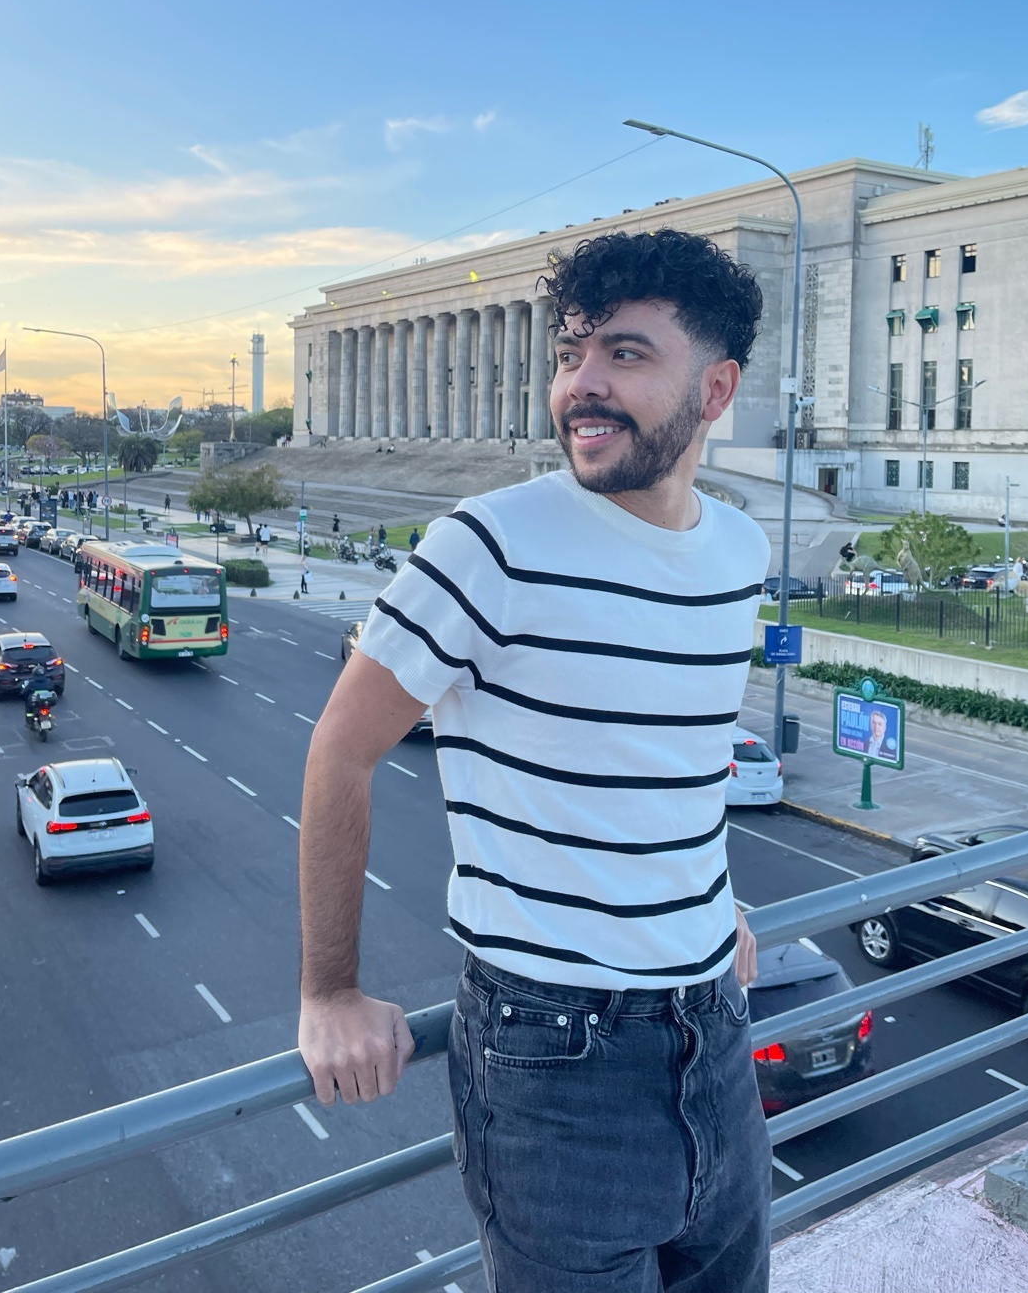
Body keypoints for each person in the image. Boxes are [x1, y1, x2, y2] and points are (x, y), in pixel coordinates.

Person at [297, 227, 771, 1291]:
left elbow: (677, 766)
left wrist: (704, 907)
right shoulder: (488, 542)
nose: (581, 386)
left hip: (714, 1030)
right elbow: (341, 751)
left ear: (718, 385)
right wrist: (331, 992)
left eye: (626, 355)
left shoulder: (742, 551)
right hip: (552, 1057)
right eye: (570, 354)